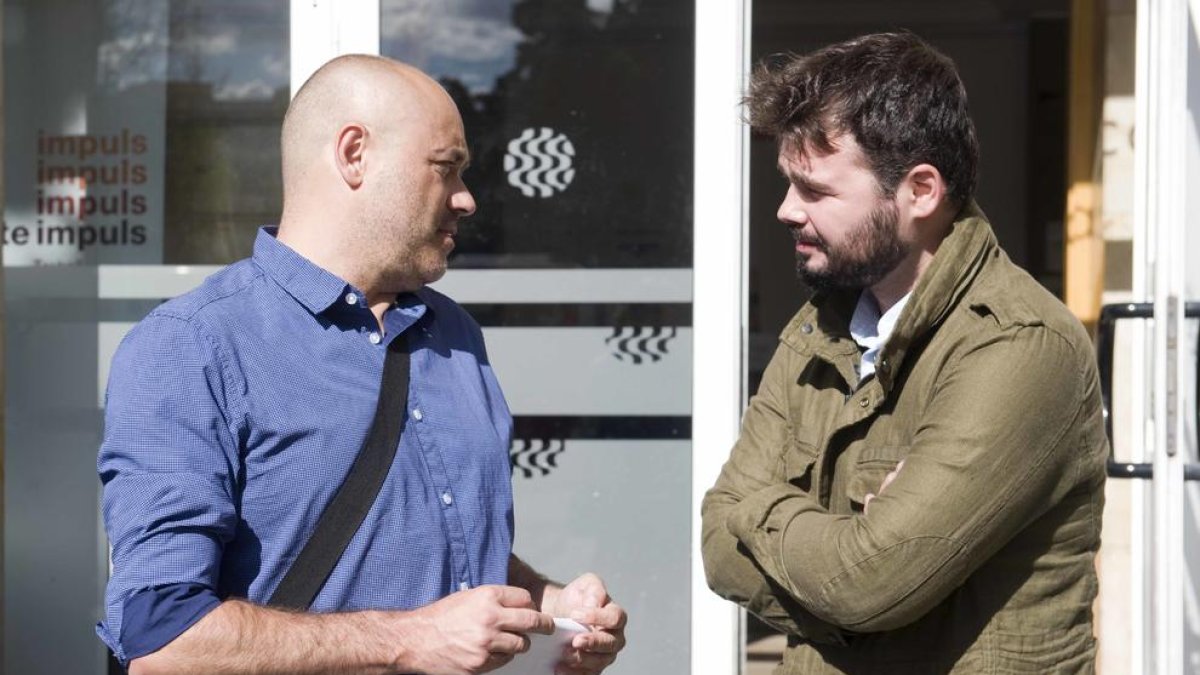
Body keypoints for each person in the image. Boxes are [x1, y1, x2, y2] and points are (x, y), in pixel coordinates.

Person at [97, 54, 626, 674]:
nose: (467, 199)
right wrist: (409, 640)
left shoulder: (454, 333)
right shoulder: (191, 346)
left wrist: (550, 611)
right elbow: (163, 640)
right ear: (354, 154)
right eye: (445, 168)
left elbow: (440, 549)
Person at [701, 32, 1107, 673]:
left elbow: (867, 585)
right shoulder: (821, 326)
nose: (784, 210)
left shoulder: (1018, 343)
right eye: (787, 183)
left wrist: (755, 507)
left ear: (921, 191)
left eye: (816, 190)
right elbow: (717, 547)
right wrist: (842, 557)